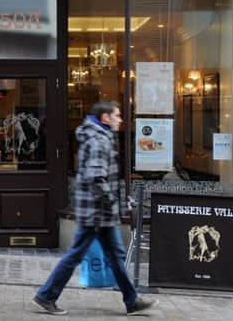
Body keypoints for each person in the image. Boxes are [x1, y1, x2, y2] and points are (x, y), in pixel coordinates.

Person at [32, 101, 157, 316]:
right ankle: (46, 296)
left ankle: (131, 300)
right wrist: (110, 200)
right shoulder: (99, 140)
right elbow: (96, 177)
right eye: (117, 115)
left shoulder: (100, 137)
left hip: (99, 212)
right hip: (96, 213)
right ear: (105, 118)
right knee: (76, 255)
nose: (121, 119)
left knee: (115, 255)